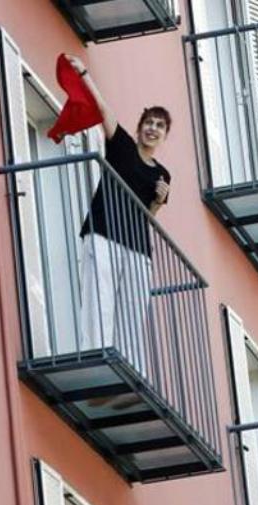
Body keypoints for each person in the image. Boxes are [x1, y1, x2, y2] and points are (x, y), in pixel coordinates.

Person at [66, 55, 170, 393]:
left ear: (164, 135)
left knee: (132, 311)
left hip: (137, 246)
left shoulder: (163, 174)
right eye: (149, 122)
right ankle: (97, 357)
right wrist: (84, 73)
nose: (153, 128)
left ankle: (130, 373)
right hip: (104, 232)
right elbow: (105, 110)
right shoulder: (122, 145)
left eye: (160, 125)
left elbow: (147, 217)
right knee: (100, 298)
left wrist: (157, 200)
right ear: (140, 127)